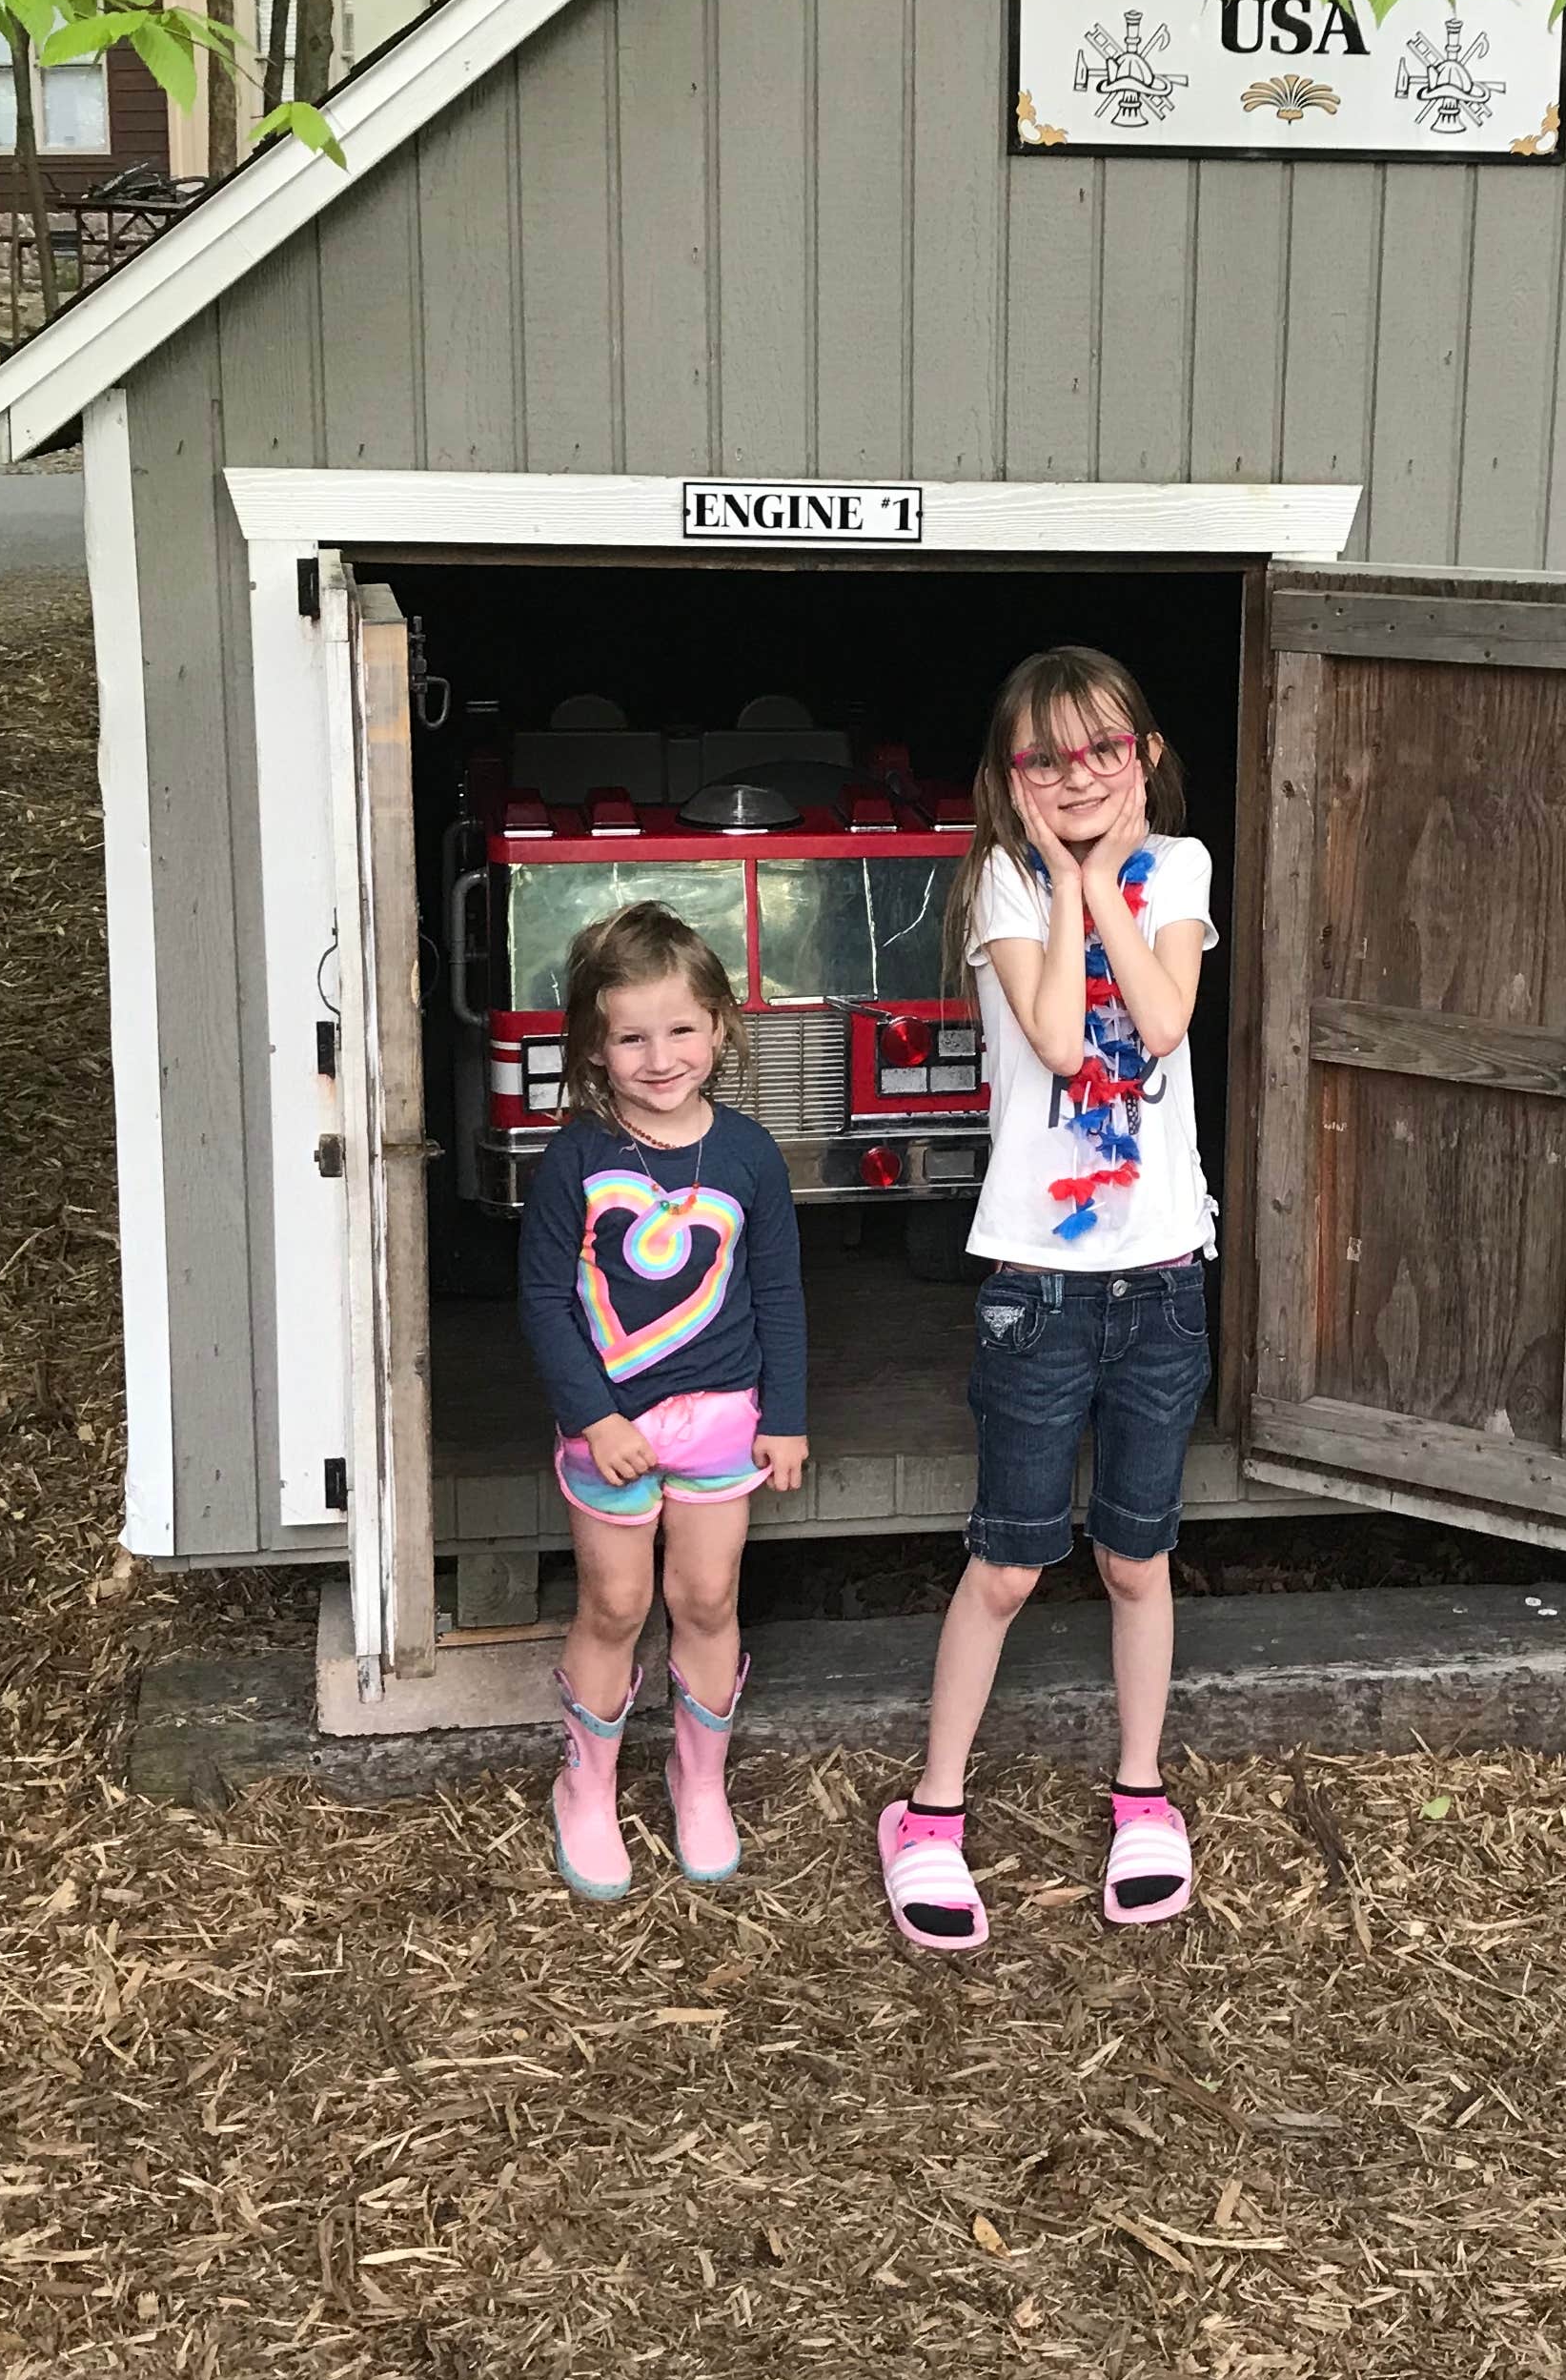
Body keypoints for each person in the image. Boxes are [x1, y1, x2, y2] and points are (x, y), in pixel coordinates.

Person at [876, 648, 1217, 1950]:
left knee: (1139, 1554)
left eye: (1103, 750)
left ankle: (1143, 1795)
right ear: (1010, 780)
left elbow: (1164, 1015)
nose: (1079, 774)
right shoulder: (1003, 887)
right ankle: (932, 1815)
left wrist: (1111, 882)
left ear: (1145, 754)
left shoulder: (1178, 870)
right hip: (1039, 1282)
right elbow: (1069, 1045)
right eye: (1048, 758)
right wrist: (1070, 878)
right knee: (1013, 1561)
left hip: (1161, 1274)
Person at [518, 903, 807, 1902]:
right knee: (618, 1602)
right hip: (613, 1428)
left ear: (720, 1028)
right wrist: (594, 1417)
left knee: (707, 1597)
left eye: (681, 1029)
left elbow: (777, 1292)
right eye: (631, 1036)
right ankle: (585, 1788)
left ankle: (699, 1779)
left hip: (724, 1420)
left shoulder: (749, 1155)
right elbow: (546, 1300)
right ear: (595, 1048)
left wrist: (787, 1415)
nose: (660, 1056)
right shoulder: (577, 1161)